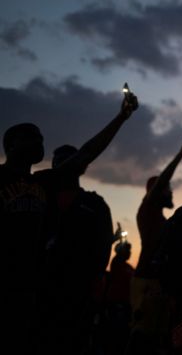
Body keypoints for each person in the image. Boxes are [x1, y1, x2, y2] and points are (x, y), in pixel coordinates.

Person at [0, 93, 137, 352]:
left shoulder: (43, 183)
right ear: (11, 145)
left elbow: (86, 153)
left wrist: (121, 118)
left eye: (41, 136)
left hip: (34, 291)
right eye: (31, 135)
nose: (39, 139)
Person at [38, 144, 114, 354]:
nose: (64, 165)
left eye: (70, 160)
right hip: (40, 293)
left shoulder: (95, 204)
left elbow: (103, 248)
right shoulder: (38, 199)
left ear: (82, 167)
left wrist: (95, 284)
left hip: (80, 295)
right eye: (59, 161)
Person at [127, 136, 182, 353]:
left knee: (159, 339)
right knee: (143, 337)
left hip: (158, 283)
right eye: (166, 188)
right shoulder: (147, 211)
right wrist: (181, 153)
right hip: (146, 282)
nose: (171, 191)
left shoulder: (163, 220)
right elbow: (160, 183)